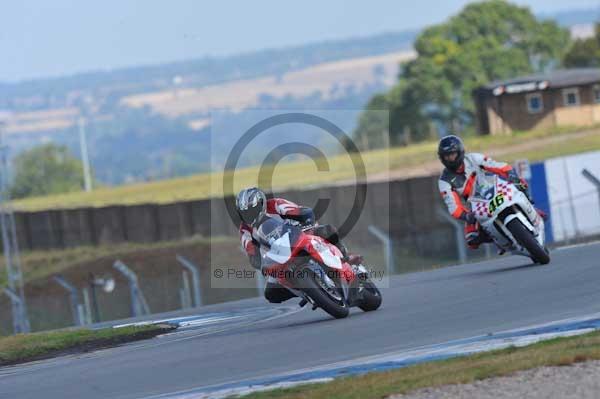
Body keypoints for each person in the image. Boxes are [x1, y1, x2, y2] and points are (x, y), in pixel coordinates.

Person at [235, 187, 360, 303]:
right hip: (278, 256)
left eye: (252, 210)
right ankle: (308, 290)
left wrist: (306, 223)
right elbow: (252, 254)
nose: (249, 215)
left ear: (261, 204)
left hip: (301, 233)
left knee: (326, 230)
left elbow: (303, 212)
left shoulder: (276, 204)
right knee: (271, 294)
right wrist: (261, 264)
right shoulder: (245, 230)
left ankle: (345, 258)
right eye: (244, 213)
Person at [437, 135, 544, 249]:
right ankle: (497, 240)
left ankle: (532, 207)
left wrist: (510, 174)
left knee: (520, 183)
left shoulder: (473, 158)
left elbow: (497, 166)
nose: (450, 159)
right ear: (442, 158)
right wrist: (466, 216)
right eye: (446, 156)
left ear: (460, 152)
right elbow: (453, 206)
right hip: (475, 203)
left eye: (452, 154)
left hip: (495, 187)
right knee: (471, 239)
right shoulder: (444, 181)